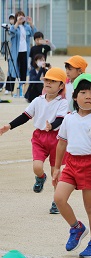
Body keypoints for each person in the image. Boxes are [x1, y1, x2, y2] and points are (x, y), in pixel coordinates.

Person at [52, 73, 91, 258]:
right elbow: (61, 143)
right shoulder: (69, 118)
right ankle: (76, 227)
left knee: (90, 207)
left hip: (90, 165)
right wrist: (57, 167)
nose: (88, 96)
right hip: (71, 163)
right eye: (83, 92)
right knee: (59, 198)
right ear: (75, 97)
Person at [0, 68, 68, 214]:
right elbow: (25, 116)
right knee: (37, 167)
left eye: (53, 81)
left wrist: (52, 126)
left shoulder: (63, 103)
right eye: (47, 80)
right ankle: (40, 178)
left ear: (61, 86)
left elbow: (61, 119)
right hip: (39, 138)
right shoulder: (37, 100)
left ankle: (57, 201)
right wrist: (9, 126)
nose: (48, 83)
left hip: (57, 140)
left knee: (56, 173)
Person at [4, 11, 37, 96]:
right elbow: (11, 32)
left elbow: (35, 34)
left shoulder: (27, 27)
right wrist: (17, 23)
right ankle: (8, 88)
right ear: (16, 17)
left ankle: (21, 87)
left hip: (25, 51)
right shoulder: (14, 26)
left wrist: (31, 23)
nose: (21, 17)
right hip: (15, 52)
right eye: (19, 16)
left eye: (22, 16)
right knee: (12, 69)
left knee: (23, 69)